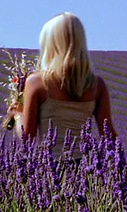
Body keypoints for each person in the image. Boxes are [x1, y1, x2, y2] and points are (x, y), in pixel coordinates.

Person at [9, 12, 117, 158]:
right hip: (85, 171)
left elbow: (27, 137)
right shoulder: (97, 85)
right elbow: (109, 136)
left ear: (50, 44)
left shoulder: (37, 82)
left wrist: (17, 115)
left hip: (51, 168)